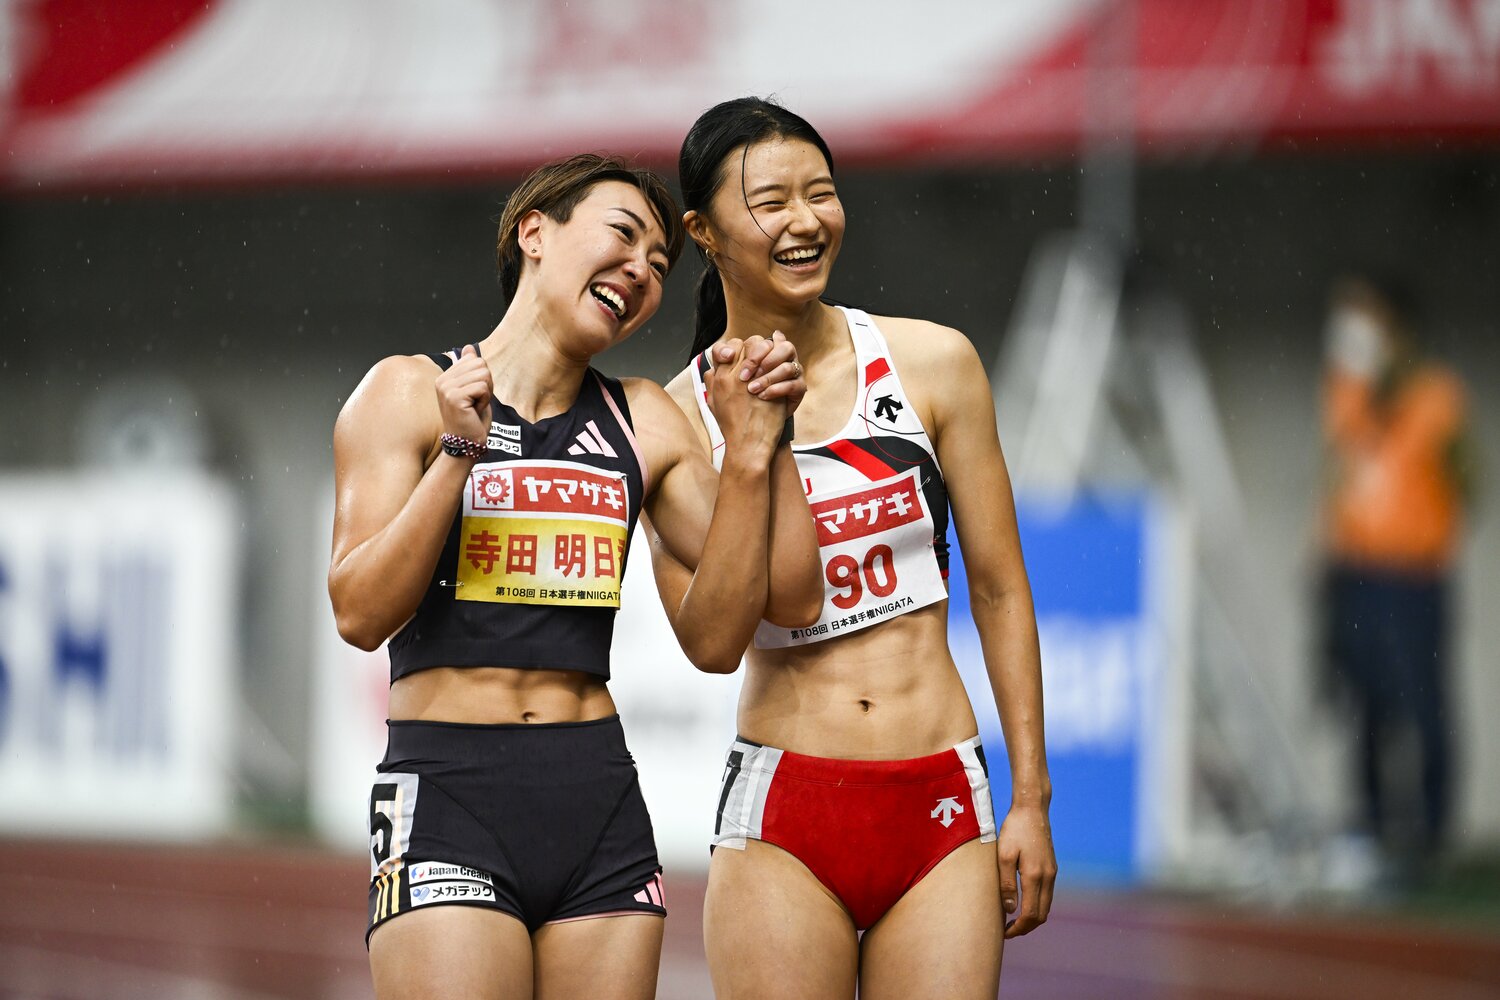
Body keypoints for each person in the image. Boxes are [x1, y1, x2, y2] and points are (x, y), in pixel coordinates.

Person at [328, 153, 822, 1000]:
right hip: (447, 791)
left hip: (597, 800)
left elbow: (789, 598)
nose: (640, 272)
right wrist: (459, 454)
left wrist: (758, 449)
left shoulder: (644, 419)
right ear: (534, 233)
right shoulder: (407, 391)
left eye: (658, 266)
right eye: (622, 236)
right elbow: (359, 614)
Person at [658, 97, 1057, 998]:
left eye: (822, 193)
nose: (805, 222)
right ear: (702, 232)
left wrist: (1031, 797)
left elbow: (1000, 589)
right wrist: (751, 449)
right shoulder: (676, 421)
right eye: (771, 202)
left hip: (941, 799)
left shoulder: (934, 363)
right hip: (785, 814)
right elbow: (711, 643)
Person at [1321, 272, 1472, 873]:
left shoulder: (1438, 396)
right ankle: (1373, 828)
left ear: (1395, 328)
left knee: (1423, 704)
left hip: (1413, 578)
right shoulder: (1347, 392)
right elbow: (1337, 478)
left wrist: (1421, 528)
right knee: (1366, 704)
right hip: (1356, 573)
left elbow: (1468, 483)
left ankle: (1431, 836)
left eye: (1364, 317)